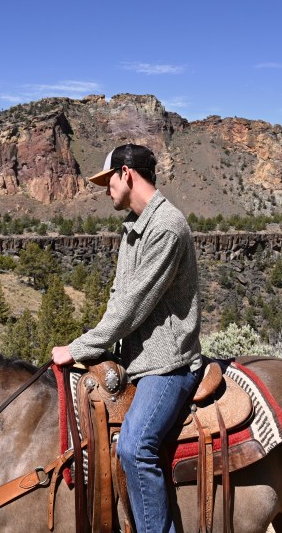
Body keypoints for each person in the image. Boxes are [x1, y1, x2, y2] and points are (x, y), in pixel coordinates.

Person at [52, 143, 202, 533]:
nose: (106, 191)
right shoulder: (135, 226)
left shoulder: (166, 226)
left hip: (167, 365)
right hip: (136, 360)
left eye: (109, 181)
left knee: (135, 447)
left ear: (126, 173)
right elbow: (119, 298)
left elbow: (132, 308)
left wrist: (78, 348)